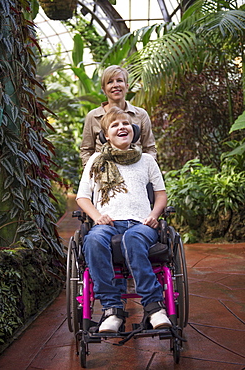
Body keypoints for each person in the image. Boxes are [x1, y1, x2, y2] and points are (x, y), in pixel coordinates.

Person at [76, 106, 171, 333]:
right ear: (106, 135)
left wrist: (153, 215)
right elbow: (82, 197)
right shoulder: (96, 161)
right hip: (107, 223)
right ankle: (112, 310)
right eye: (115, 125)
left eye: (126, 124)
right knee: (93, 240)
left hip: (141, 224)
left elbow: (161, 195)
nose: (122, 127)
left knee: (133, 237)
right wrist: (98, 217)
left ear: (134, 130)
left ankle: (154, 307)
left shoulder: (147, 160)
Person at [80, 65, 157, 167]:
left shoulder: (140, 115)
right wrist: (94, 172)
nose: (115, 85)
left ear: (126, 86)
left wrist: (146, 171)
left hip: (135, 171)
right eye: (110, 82)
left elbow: (149, 148)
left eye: (119, 80)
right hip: (104, 175)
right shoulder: (93, 116)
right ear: (103, 89)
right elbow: (86, 150)